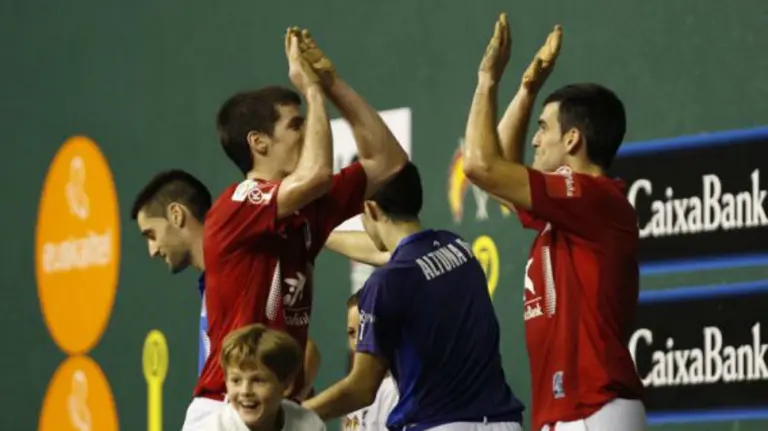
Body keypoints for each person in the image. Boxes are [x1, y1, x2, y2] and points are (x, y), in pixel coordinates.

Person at [193, 26, 408, 430]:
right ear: (258, 142)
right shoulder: (235, 205)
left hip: (282, 410)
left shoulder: (310, 209)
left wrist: (332, 83)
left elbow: (390, 160)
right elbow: (316, 175)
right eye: (296, 125)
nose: (308, 132)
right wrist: (310, 90)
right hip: (226, 407)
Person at [462, 14, 645, 431]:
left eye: (543, 128)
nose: (535, 139)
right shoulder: (568, 214)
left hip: (594, 409)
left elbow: (480, 165)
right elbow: (501, 177)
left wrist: (488, 80)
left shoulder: (594, 198)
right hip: (567, 414)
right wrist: (528, 90)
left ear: (573, 139)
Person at [303, 162, 525, 431]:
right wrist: (317, 233)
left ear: (371, 209)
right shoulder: (457, 247)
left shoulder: (385, 283)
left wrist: (289, 416)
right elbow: (386, 254)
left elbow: (360, 390)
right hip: (504, 423)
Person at [129, 170, 321, 399]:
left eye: (151, 234)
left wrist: (279, 411)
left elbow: (305, 352)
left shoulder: (239, 274)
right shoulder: (209, 284)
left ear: (176, 214)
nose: (152, 250)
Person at [201, 323, 326, 431]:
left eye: (258, 381)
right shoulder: (211, 428)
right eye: (236, 380)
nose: (245, 391)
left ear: (286, 386)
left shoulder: (309, 425)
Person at [342, 290, 398, 431]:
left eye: (365, 331)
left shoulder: (395, 390)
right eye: (351, 333)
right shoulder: (354, 390)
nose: (357, 343)